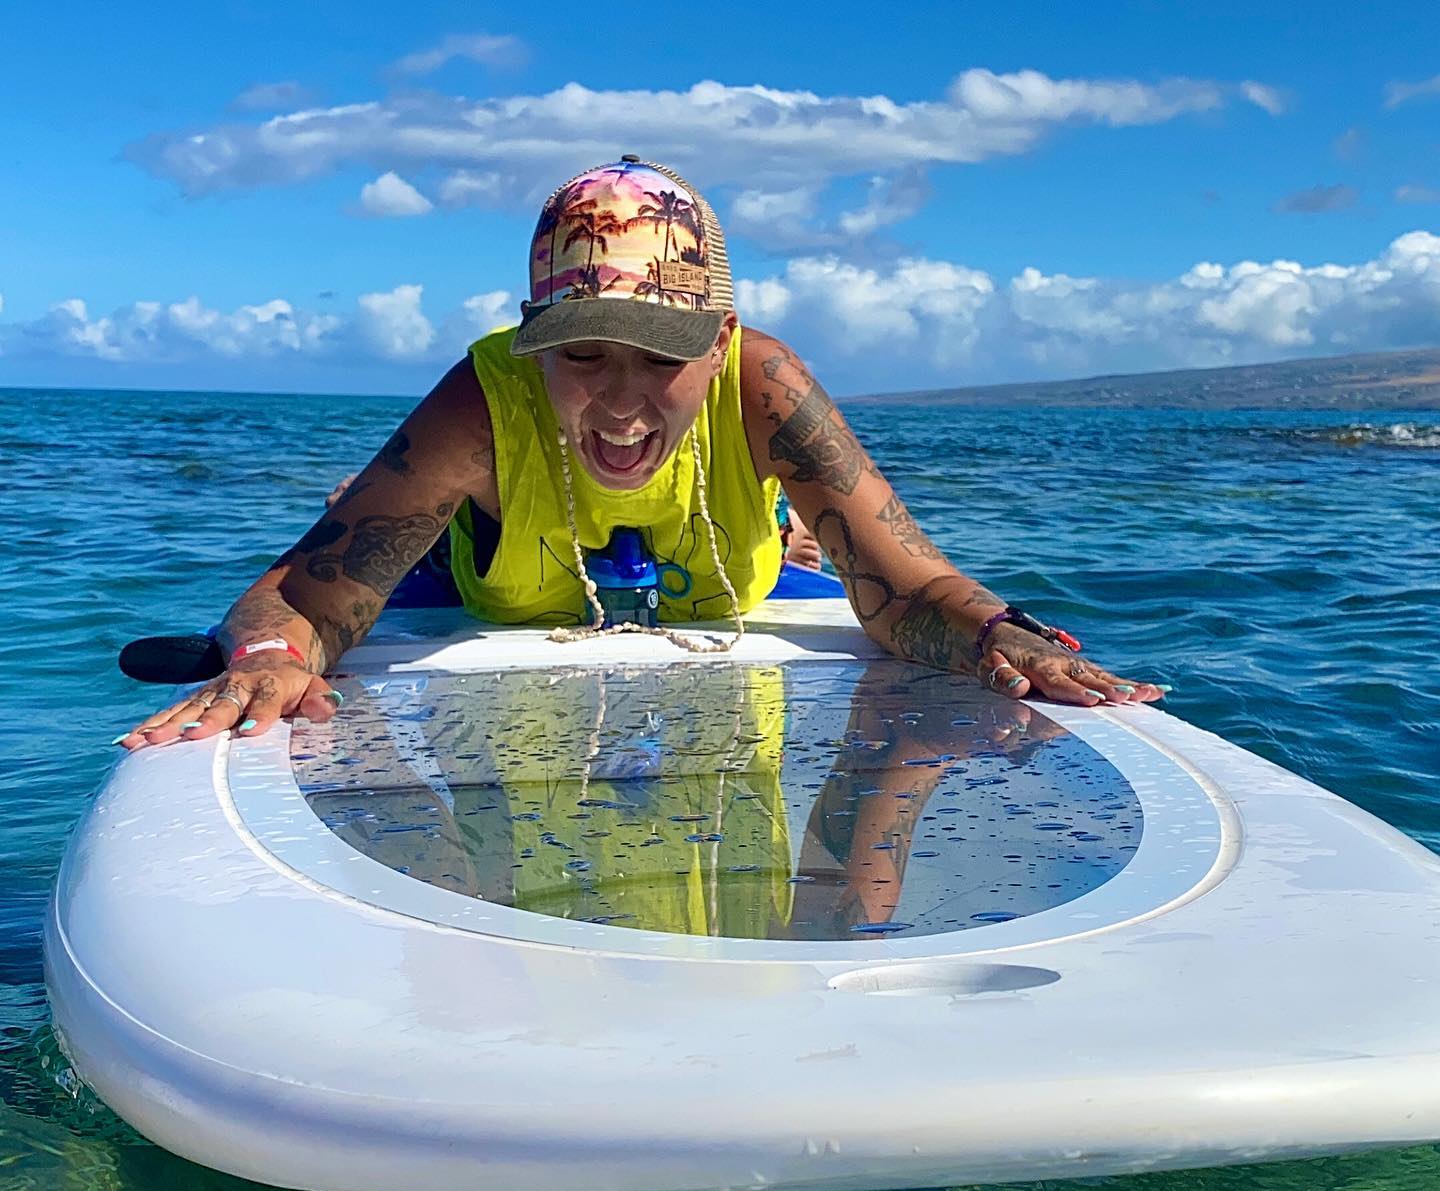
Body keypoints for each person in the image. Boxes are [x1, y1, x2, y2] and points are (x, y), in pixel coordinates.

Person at [119, 156, 1163, 750]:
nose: (620, 403)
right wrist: (264, 660)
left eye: (660, 357)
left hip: (730, 566)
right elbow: (295, 599)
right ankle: (437, 511)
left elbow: (911, 586)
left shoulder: (767, 383)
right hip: (481, 572)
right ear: (534, 343)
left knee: (808, 547)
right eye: (581, 356)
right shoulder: (484, 398)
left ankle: (783, 530)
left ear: (718, 343)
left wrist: (1002, 635)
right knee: (389, 524)